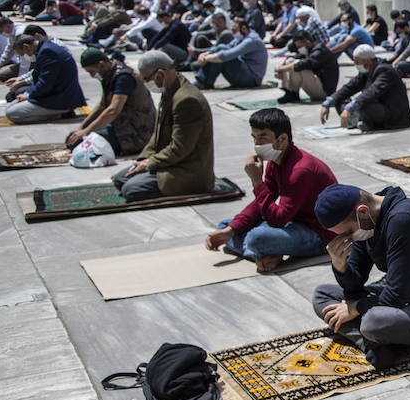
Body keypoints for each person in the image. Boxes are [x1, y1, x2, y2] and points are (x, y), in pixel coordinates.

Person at [309, 184, 410, 367]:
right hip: (409, 297)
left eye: (348, 233)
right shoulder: (369, 222)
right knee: (323, 295)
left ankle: (377, 339)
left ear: (362, 211)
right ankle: (375, 344)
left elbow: (396, 295)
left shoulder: (403, 220)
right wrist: (340, 266)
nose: (349, 239)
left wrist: (356, 308)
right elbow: (355, 287)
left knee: (372, 322)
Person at [200, 108, 337, 272]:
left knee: (255, 238)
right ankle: (267, 255)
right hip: (294, 221)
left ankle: (260, 253)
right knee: (226, 226)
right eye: (254, 138)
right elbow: (262, 203)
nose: (257, 145)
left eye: (263, 138)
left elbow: (277, 220)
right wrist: (231, 229)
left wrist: (257, 181)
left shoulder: (300, 170)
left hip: (319, 235)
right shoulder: (276, 160)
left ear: (282, 139)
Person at [112, 50, 215, 201]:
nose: (146, 83)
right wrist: (143, 159)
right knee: (120, 179)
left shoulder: (187, 100)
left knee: (131, 189)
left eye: (147, 79)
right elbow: (157, 135)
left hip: (186, 169)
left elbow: (180, 148)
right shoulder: (170, 90)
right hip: (169, 161)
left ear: (160, 74)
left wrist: (150, 163)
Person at [68, 47, 156, 157]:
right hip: (120, 126)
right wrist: (81, 128)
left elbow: (113, 110)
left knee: (81, 145)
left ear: (101, 64)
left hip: (137, 132)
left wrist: (86, 131)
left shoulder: (123, 78)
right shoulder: (109, 74)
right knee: (75, 141)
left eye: (92, 71)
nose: (91, 75)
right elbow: (102, 105)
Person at [320, 44, 410, 132]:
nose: (356, 64)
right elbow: (350, 87)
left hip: (393, 114)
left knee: (363, 104)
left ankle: (359, 120)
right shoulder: (367, 71)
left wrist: (350, 108)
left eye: (357, 62)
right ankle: (357, 120)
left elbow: (372, 92)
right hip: (378, 108)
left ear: (367, 61)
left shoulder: (385, 71)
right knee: (340, 98)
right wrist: (328, 102)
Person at [5, 33, 87, 124]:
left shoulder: (47, 52)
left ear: (26, 47)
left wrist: (29, 95)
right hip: (53, 92)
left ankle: (60, 114)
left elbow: (45, 83)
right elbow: (38, 76)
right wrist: (27, 92)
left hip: (60, 97)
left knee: (12, 114)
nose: (25, 56)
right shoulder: (44, 49)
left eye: (23, 54)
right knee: (11, 106)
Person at [195, 18, 267, 89]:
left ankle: (203, 83)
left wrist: (206, 58)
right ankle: (202, 81)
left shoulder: (252, 40)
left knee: (221, 51)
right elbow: (225, 47)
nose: (232, 33)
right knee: (221, 47)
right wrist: (205, 54)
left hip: (252, 79)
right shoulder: (242, 36)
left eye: (234, 30)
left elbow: (227, 55)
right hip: (245, 72)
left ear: (244, 28)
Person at [276, 28, 339, 103]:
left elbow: (302, 64)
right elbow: (296, 57)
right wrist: (282, 64)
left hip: (324, 92)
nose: (299, 49)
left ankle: (292, 94)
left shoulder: (319, 51)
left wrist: (281, 69)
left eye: (300, 47)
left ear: (307, 42)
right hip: (317, 86)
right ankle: (289, 91)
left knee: (298, 66)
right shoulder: (310, 49)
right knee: (290, 61)